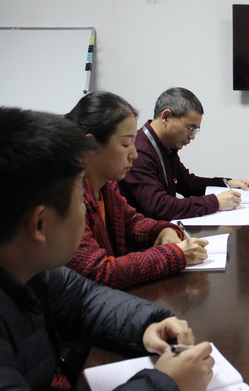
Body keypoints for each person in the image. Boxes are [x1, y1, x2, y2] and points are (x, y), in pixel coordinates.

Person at [0, 106, 214, 391]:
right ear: (40, 224)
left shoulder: (31, 268)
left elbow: (86, 300)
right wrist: (167, 387)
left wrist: (147, 324)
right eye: (78, 201)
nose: (86, 208)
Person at [64, 91, 209, 289]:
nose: (133, 154)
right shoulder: (66, 199)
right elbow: (100, 272)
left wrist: (163, 230)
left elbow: (133, 223)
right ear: (90, 145)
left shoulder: (106, 187)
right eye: (125, 143)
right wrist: (176, 255)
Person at [119, 87, 249, 220]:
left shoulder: (165, 146)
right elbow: (160, 206)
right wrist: (215, 202)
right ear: (166, 116)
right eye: (190, 128)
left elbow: (187, 183)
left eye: (195, 130)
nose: (192, 136)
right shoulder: (139, 152)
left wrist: (227, 183)